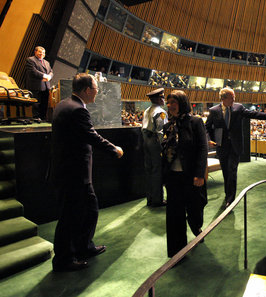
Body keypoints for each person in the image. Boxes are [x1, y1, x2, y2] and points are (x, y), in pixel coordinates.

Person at [51, 73, 124, 272]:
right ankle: (63, 259)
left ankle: (84, 247)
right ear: (86, 90)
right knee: (70, 216)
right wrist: (113, 149)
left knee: (89, 209)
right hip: (74, 174)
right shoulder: (78, 110)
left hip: (69, 172)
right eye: (95, 88)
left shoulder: (63, 104)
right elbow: (91, 136)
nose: (98, 91)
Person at [205, 87, 266, 208]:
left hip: (235, 146)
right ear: (223, 98)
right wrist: (209, 140)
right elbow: (207, 127)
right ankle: (228, 194)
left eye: (234, 97)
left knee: (232, 171)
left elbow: (252, 113)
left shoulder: (238, 108)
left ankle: (230, 199)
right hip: (222, 147)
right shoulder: (214, 111)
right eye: (231, 97)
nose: (234, 99)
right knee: (226, 172)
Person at [162, 90, 207, 257]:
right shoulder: (168, 125)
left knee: (195, 207)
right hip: (173, 176)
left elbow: (203, 147)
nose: (169, 106)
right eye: (168, 103)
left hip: (191, 175)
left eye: (173, 102)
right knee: (174, 214)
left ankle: (196, 227)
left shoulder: (195, 122)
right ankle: (176, 251)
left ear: (182, 103)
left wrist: (200, 174)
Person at [141, 88, 168, 207]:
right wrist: (164, 146)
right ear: (158, 99)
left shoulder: (147, 110)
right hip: (155, 142)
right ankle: (158, 200)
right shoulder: (160, 112)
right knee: (157, 171)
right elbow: (161, 131)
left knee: (149, 170)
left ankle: (150, 198)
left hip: (146, 140)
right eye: (162, 97)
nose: (164, 100)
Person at [25, 46, 53, 121]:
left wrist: (49, 76)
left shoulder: (47, 62)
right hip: (35, 86)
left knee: (44, 103)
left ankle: (43, 117)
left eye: (43, 52)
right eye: (40, 52)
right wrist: (44, 75)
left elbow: (51, 71)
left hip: (46, 86)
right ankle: (35, 118)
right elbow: (33, 71)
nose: (42, 54)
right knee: (36, 103)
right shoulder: (30, 60)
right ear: (35, 52)